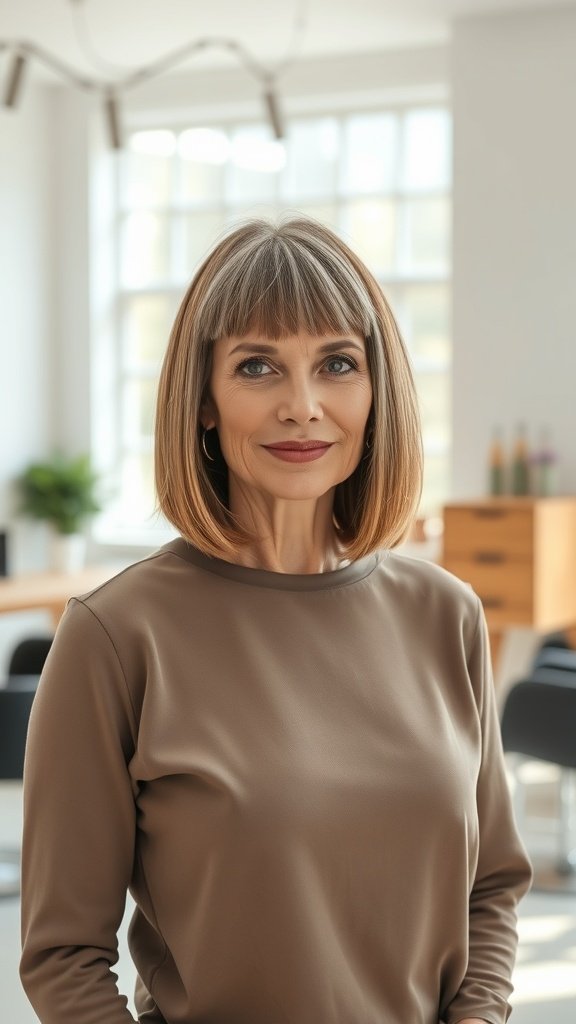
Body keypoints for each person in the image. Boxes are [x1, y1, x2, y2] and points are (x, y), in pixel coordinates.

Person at [20, 216, 532, 1024]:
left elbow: (493, 885)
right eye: (257, 366)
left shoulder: (447, 615)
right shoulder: (116, 636)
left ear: (376, 391)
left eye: (337, 364)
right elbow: (64, 956)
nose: (303, 406)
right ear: (203, 404)